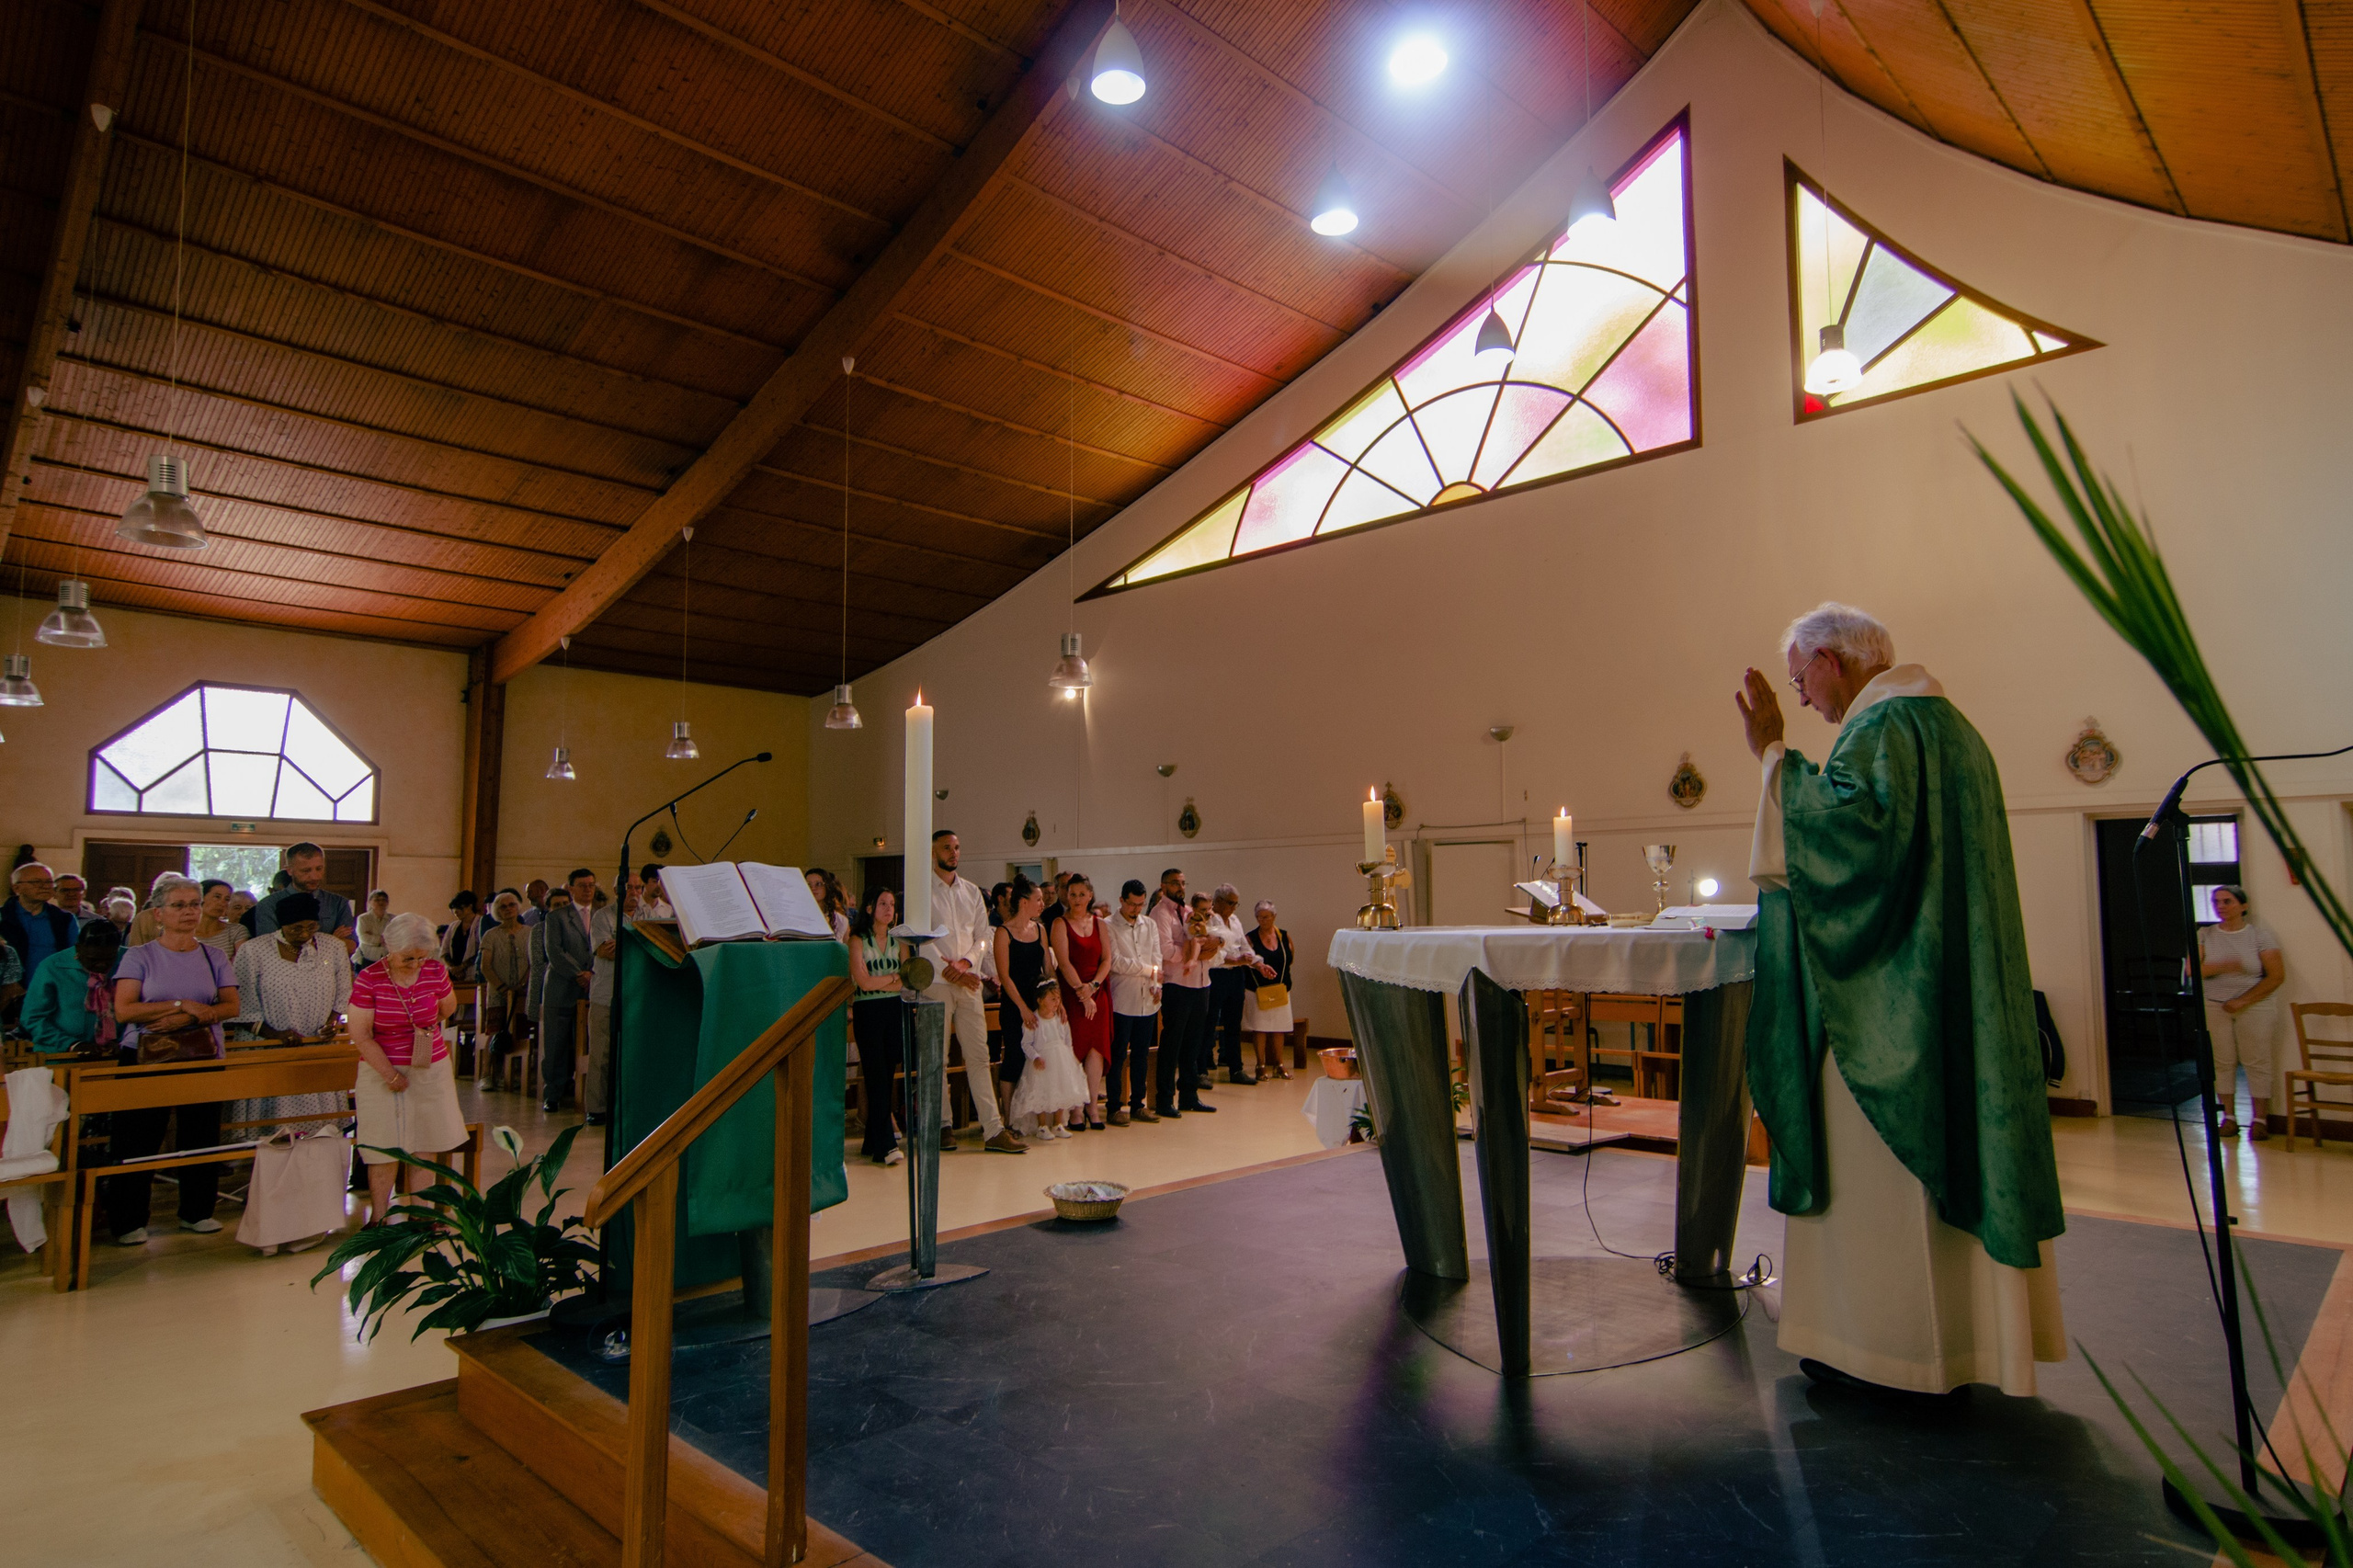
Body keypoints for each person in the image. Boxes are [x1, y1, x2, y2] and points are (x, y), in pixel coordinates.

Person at [1738, 601, 2064, 1396]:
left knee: (1873, 1178)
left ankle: (1885, 1353)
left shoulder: (1884, 729)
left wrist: (1774, 753)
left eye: (1801, 679)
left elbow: (1846, 844)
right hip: (1953, 1001)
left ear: (1832, 661)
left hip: (1889, 1010)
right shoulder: (1955, 732)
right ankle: (1970, 1344)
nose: (1804, 697)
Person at [106, 874, 241, 1245]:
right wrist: (183, 1004)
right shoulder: (139, 955)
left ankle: (197, 1211)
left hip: (203, 1052)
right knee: (137, 1138)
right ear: (159, 913)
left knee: (201, 1133)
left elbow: (231, 1005)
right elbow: (125, 1010)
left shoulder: (213, 955)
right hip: (146, 1056)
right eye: (179, 905)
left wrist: (190, 1017)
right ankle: (130, 1219)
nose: (189, 912)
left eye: (194, 904)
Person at [348, 912, 465, 1226]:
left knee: (424, 1143)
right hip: (380, 1069)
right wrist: (390, 1073)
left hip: (429, 1065)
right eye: (407, 958)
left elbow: (447, 1007)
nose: (415, 964)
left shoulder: (435, 971)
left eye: (420, 957)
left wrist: (424, 1029)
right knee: (382, 1146)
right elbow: (360, 1034)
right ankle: (380, 1217)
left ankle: (421, 1215)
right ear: (388, 945)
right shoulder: (369, 978)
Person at [227, 892, 354, 1154]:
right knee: (274, 1131)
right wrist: (276, 1034)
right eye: (296, 927)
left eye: (311, 926)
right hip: (269, 1046)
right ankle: (269, 1173)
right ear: (281, 925)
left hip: (314, 1045)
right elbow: (243, 1003)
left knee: (317, 1132)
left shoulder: (333, 947)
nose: (305, 933)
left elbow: (343, 991)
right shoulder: (255, 949)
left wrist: (331, 1023)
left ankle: (313, 1170)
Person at [925, 831, 1024, 1153]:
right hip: (937, 983)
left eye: (956, 847)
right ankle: (941, 1124)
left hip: (967, 982)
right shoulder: (922, 890)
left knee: (979, 1055)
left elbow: (983, 936)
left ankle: (993, 1129)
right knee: (936, 1056)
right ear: (932, 851)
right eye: (946, 848)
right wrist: (949, 971)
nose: (953, 853)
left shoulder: (970, 892)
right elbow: (921, 939)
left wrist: (967, 964)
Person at [2201, 884, 2286, 1141]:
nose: (2221, 907)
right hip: (2215, 1004)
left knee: (2256, 1060)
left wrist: (2243, 1001)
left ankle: (2259, 1119)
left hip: (2255, 1006)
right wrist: (2227, 965)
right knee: (2222, 1061)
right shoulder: (2204, 934)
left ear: (2243, 906)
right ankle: (2228, 1117)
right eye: (2216, 902)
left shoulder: (2260, 936)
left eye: (2227, 901)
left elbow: (2276, 976)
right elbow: (2195, 970)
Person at [847, 886, 908, 1165]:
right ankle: (885, 1145)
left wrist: (891, 979)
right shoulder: (858, 939)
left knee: (887, 1073)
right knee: (875, 1075)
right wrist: (893, 978)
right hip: (868, 1010)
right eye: (882, 903)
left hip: (893, 1008)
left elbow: (908, 977)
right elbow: (863, 981)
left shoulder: (900, 941)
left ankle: (872, 1139)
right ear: (870, 908)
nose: (888, 909)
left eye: (892, 905)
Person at [1150, 870, 1217, 1117]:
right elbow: (1165, 950)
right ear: (1163, 885)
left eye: (1182, 883)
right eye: (1175, 883)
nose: (1180, 887)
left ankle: (1189, 1095)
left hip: (1201, 982)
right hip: (1177, 984)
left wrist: (1206, 945)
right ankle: (1165, 1099)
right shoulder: (1160, 913)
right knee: (1173, 1043)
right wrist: (1187, 955)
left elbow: (1202, 936)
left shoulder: (1189, 911)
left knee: (1194, 1043)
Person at [992, 876, 1053, 1141]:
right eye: (1039, 899)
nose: (1042, 904)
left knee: (1039, 1057)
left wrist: (1055, 999)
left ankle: (1036, 1115)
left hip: (1039, 1002)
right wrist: (1023, 1009)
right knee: (1015, 1057)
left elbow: (1048, 968)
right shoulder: (1003, 933)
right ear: (1024, 902)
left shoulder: (1040, 930)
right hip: (1014, 1004)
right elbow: (1005, 976)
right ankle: (1008, 1118)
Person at [1051, 873, 1113, 1131]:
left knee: (1096, 1050)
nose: (1076, 899)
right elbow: (1063, 962)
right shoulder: (1059, 923)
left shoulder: (1100, 924)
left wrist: (1093, 987)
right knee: (1075, 1049)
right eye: (1072, 894)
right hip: (1072, 993)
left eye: (1081, 894)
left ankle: (1092, 1106)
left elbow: (1107, 959)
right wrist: (1081, 991)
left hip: (1097, 992)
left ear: (1090, 896)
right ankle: (1076, 1108)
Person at [539, 868, 599, 1112]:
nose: (588, 889)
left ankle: (585, 1092)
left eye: (591, 885)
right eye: (582, 885)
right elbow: (555, 951)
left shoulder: (602, 916)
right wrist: (578, 974)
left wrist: (592, 974)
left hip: (592, 987)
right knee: (556, 1043)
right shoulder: (557, 917)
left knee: (587, 1043)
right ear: (571, 888)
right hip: (562, 987)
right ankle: (552, 1094)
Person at [1104, 879, 1162, 1124]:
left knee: (1141, 1054)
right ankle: (1114, 1106)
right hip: (1122, 1000)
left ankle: (1139, 1104)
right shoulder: (1107, 925)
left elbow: (1157, 957)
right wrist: (1148, 970)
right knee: (1118, 1055)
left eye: (1141, 904)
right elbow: (1115, 962)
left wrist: (1156, 983)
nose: (1136, 909)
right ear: (1121, 901)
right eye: (1132, 904)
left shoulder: (1149, 924)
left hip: (1148, 1000)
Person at [23, 919, 123, 1054]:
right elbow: (32, 1018)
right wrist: (72, 1044)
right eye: (93, 959)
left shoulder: (129, 960)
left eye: (109, 959)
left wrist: (124, 1040)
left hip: (115, 1054)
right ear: (78, 948)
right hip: (59, 1055)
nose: (101, 965)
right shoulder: (52, 967)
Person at [584, 874, 637, 1126]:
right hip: (606, 993)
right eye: (628, 888)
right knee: (601, 1053)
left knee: (631, 1053)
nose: (634, 893)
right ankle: (596, 1108)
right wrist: (640, 945)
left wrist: (625, 945)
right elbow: (606, 950)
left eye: (638, 888)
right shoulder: (603, 916)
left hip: (636, 993)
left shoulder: (647, 915)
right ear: (617, 890)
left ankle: (626, 1105)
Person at [1008, 980, 1088, 1139]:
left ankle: (1058, 1124)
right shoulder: (1033, 1021)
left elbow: (1067, 1041)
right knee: (1041, 1091)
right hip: (1042, 1064)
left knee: (1060, 1089)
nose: (1056, 1002)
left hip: (1061, 1062)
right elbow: (1026, 1044)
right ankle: (1042, 1125)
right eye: (1052, 999)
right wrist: (1036, 1057)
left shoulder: (1060, 1019)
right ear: (1040, 1000)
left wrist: (1071, 1058)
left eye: (1058, 999)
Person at [254, 844, 357, 951]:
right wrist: (332, 941)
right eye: (306, 871)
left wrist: (295, 944)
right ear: (289, 870)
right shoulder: (268, 905)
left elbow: (350, 947)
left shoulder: (338, 903)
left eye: (319, 869)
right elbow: (271, 950)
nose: (314, 876)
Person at [479, 890, 534, 1090]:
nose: (508, 909)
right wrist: (502, 987)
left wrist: (521, 984)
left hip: (523, 991)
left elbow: (533, 962)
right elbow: (485, 966)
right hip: (497, 991)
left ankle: (516, 1074)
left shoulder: (529, 932)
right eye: (503, 907)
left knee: (521, 1031)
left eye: (512, 905)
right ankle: (487, 1074)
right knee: (495, 1031)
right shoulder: (491, 935)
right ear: (497, 912)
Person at [1206, 883, 1258, 1085]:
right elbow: (1213, 952)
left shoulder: (1235, 920)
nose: (1234, 908)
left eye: (1236, 904)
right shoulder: (1211, 919)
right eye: (1230, 903)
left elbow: (1244, 947)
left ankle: (1236, 1069)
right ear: (1218, 902)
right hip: (1216, 974)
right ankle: (1202, 1069)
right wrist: (1235, 959)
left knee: (1234, 1023)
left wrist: (1258, 964)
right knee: (1209, 1023)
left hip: (1236, 975)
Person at [1244, 899, 1294, 1079]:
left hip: (1280, 989)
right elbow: (1247, 961)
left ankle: (1279, 1064)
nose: (1263, 920)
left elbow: (1290, 957)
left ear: (1274, 916)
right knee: (1261, 1028)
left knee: (1279, 1027)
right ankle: (1260, 1064)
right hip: (1258, 990)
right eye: (1259, 917)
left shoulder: (1283, 936)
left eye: (1266, 917)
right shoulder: (1250, 938)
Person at [5, 862, 79, 984]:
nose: (44, 886)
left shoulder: (64, 919)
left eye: (49, 882)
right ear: (16, 888)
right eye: (36, 882)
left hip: (51, 991)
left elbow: (73, 958)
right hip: (9, 994)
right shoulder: (3, 917)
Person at [196, 879, 247, 960]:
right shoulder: (184, 932)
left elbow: (240, 964)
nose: (222, 903)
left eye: (227, 899)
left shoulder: (236, 931)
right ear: (200, 898)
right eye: (217, 897)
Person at [441, 891, 483, 983]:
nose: (456, 911)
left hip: (474, 973)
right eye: (453, 909)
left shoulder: (481, 923)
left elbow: (482, 951)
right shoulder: (453, 926)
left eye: (460, 908)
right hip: (454, 975)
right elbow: (445, 951)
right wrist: (454, 968)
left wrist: (462, 967)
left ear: (470, 906)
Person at [804, 868, 851, 939]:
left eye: (818, 884)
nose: (813, 888)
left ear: (827, 887)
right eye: (808, 885)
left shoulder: (840, 921)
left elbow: (846, 948)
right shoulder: (797, 916)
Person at [355, 890, 393, 966]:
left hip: (387, 957)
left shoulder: (393, 919)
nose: (380, 902)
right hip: (366, 957)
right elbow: (363, 937)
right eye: (377, 900)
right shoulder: (363, 918)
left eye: (383, 900)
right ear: (370, 902)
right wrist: (381, 939)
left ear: (387, 903)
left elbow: (395, 936)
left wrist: (372, 936)